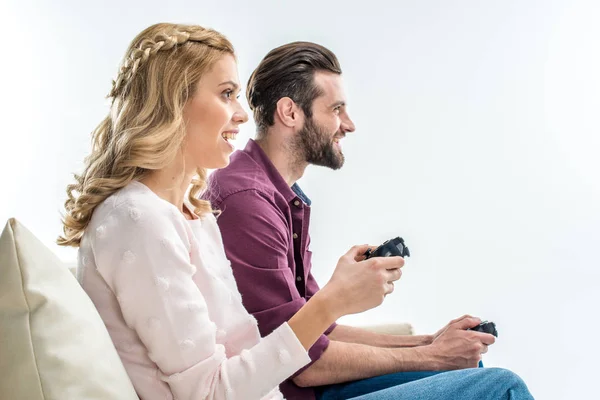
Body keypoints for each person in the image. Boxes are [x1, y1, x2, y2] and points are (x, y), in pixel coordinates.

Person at [57, 23, 404, 400]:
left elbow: (245, 358)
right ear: (175, 102)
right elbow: (209, 394)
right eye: (226, 94)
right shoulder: (137, 219)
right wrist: (332, 302)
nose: (242, 114)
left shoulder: (194, 213)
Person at [202, 42, 534, 400]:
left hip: (308, 384)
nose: (348, 124)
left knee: (469, 368)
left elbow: (317, 328)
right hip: (290, 392)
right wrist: (433, 356)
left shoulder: (278, 195)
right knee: (502, 387)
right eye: (336, 109)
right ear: (290, 113)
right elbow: (303, 364)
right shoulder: (247, 201)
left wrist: (429, 343)